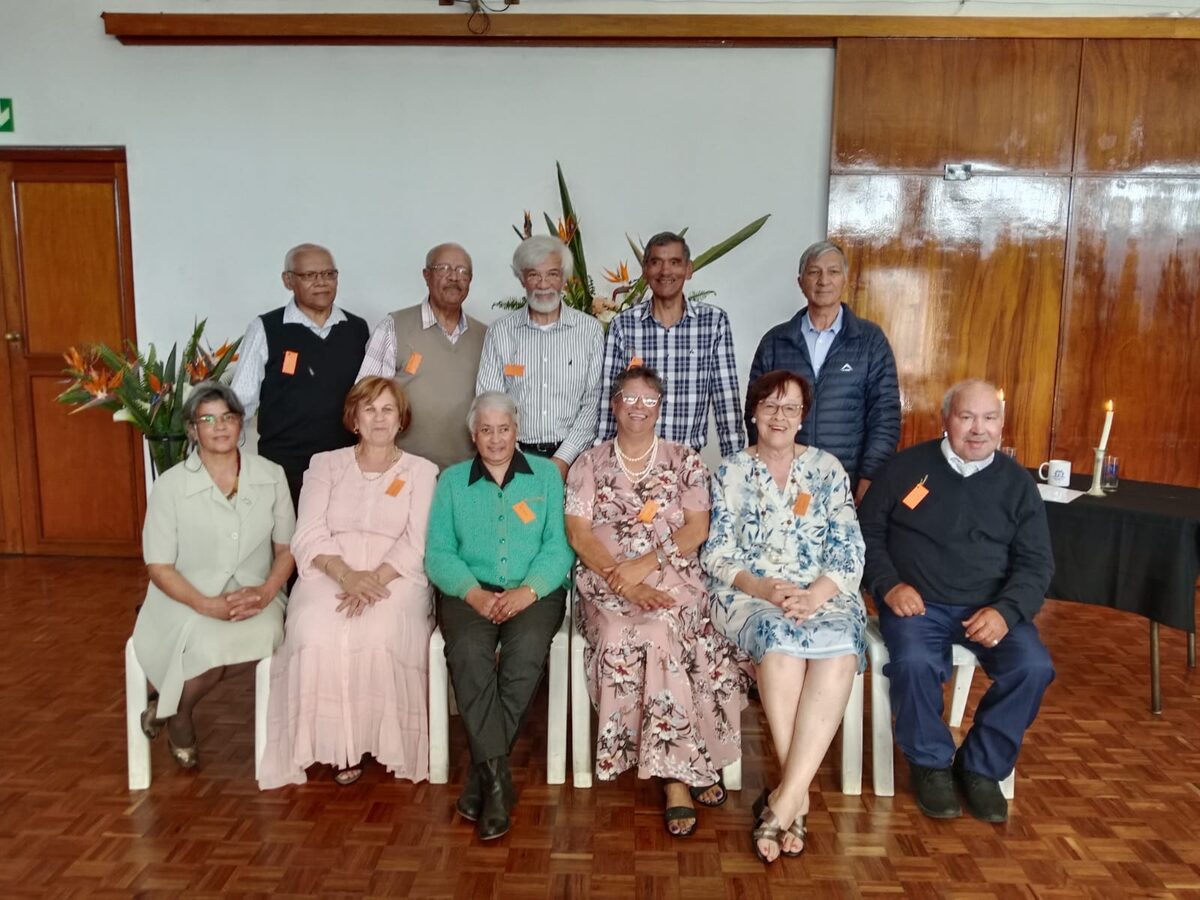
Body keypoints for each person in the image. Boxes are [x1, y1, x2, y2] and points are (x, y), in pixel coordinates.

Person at [859, 379, 1055, 823]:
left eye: (989, 418)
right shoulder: (905, 468)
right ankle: (929, 764)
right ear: (945, 419)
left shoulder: (1017, 485)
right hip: (917, 603)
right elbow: (866, 535)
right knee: (913, 663)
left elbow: (1037, 564)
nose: (978, 429)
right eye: (967, 417)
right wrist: (889, 585)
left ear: (1002, 426)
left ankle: (980, 767)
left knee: (1033, 668)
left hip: (990, 608)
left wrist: (1006, 612)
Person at [565, 366, 749, 838]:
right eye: (629, 398)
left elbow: (696, 529)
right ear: (614, 404)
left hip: (674, 574)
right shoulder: (589, 462)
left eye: (649, 399)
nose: (638, 407)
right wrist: (620, 579)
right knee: (635, 630)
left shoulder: (684, 459)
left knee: (671, 626)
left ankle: (677, 769)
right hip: (606, 579)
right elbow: (578, 532)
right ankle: (679, 776)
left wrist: (647, 564)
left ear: (660, 407)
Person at [702, 370, 865, 863]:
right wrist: (763, 588)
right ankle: (798, 797)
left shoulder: (827, 469)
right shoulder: (729, 471)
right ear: (753, 412)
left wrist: (814, 595)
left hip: (825, 594)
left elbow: (850, 549)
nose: (779, 416)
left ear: (803, 417)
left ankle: (785, 799)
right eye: (770, 406)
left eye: (790, 408)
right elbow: (715, 553)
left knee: (837, 651)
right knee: (779, 646)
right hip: (752, 597)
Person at [258, 376, 438, 788]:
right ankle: (335, 745)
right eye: (369, 409)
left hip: (395, 576)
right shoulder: (325, 464)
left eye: (387, 409)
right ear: (354, 418)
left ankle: (377, 742)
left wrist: (372, 579)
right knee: (314, 631)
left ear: (401, 420)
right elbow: (307, 533)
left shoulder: (421, 471)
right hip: (329, 570)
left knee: (380, 633)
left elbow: (418, 541)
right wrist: (346, 575)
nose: (379, 418)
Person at [424, 392, 575, 840]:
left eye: (503, 428)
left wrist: (528, 592)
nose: (495, 438)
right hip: (468, 593)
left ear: (517, 430)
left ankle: (482, 776)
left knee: (526, 652)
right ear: (473, 434)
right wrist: (472, 594)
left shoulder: (546, 475)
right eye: (486, 430)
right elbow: (438, 553)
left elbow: (558, 545)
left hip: (535, 592)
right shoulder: (452, 481)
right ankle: (497, 780)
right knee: (468, 653)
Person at [133, 382, 295, 769]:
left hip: (255, 594)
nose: (219, 427)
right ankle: (182, 717)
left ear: (242, 425)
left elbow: (286, 550)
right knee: (208, 650)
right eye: (207, 419)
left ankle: (167, 707)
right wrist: (206, 604)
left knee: (269, 634)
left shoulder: (271, 475)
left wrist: (268, 590)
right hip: (184, 596)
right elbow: (158, 566)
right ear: (192, 430)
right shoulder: (171, 485)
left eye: (228, 417)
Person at [749, 240, 900, 503]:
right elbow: (755, 411)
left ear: (845, 280)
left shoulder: (870, 341)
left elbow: (884, 415)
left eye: (833, 272)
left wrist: (869, 478)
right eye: (814, 272)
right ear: (800, 282)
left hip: (847, 481)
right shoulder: (775, 341)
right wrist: (764, 469)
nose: (823, 280)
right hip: (785, 479)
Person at [231, 242, 370, 508]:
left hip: (345, 466)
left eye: (329, 274)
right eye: (310, 275)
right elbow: (241, 401)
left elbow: (370, 397)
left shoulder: (357, 329)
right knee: (287, 546)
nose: (321, 283)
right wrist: (227, 457)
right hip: (284, 469)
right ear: (288, 280)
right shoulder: (267, 328)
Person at [597, 232, 745, 458]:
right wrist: (602, 461)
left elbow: (726, 401)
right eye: (656, 263)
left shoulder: (713, 322)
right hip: (631, 460)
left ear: (689, 269)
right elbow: (611, 398)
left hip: (687, 462)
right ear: (645, 271)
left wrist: (736, 467)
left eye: (675, 263)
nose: (665, 271)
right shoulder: (624, 325)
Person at [476, 235, 604, 478]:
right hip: (512, 459)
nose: (543, 284)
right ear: (522, 279)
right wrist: (513, 458)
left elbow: (593, 402)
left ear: (564, 279)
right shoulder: (500, 332)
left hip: (575, 460)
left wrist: (563, 459)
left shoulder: (590, 331)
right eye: (534, 275)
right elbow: (489, 401)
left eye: (552, 274)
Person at [356, 243, 487, 470]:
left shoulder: (486, 336)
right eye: (444, 269)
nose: (454, 277)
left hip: (466, 473)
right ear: (426, 275)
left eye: (462, 271)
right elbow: (364, 400)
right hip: (403, 469)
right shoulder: (394, 327)